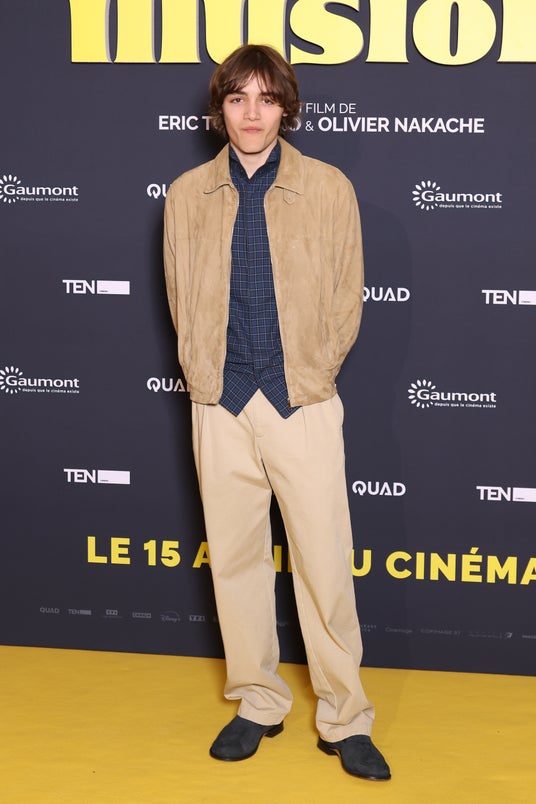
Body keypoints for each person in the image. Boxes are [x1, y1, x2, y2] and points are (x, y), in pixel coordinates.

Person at [163, 44, 390, 782]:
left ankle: (345, 717)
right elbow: (179, 295)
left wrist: (312, 374)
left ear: (286, 108)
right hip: (219, 404)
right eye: (238, 99)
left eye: (266, 98)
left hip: (302, 402)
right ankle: (258, 701)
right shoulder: (186, 194)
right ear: (220, 110)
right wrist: (206, 378)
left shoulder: (328, 187)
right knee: (235, 562)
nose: (252, 113)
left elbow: (347, 298)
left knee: (323, 563)